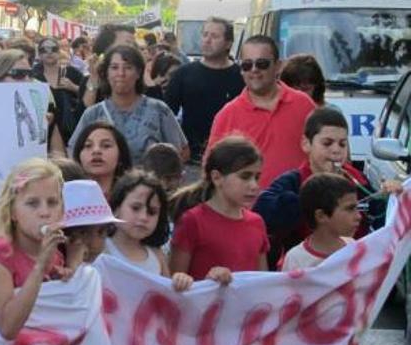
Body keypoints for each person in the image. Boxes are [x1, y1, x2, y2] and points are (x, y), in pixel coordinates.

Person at [253, 107, 393, 268]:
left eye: (342, 144)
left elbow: (381, 221)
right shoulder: (293, 181)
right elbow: (263, 212)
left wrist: (390, 197)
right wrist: (307, 201)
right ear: (306, 144)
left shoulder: (359, 181)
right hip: (307, 271)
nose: (336, 150)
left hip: (353, 268)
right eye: (327, 143)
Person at [0, 157, 71, 340]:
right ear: (12, 212)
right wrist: (40, 268)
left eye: (52, 202)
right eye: (32, 203)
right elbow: (8, 328)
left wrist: (62, 282)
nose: (44, 212)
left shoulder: (55, 255)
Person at [208, 35, 316, 188]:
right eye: (246, 65)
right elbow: (211, 171)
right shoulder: (227, 115)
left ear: (278, 66)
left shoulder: (304, 105)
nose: (254, 70)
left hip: (298, 206)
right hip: (247, 209)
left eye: (262, 64)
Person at [169, 136, 268, 283]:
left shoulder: (257, 222)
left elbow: (262, 282)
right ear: (217, 178)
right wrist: (208, 282)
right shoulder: (192, 221)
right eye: (245, 176)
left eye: (257, 177)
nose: (254, 185)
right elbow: (174, 283)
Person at [68, 44, 188, 164]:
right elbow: (73, 153)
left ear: (138, 73)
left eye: (128, 67)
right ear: (107, 73)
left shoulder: (158, 110)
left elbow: (182, 152)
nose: (121, 73)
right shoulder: (93, 114)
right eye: (114, 67)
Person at [165, 17, 245, 163]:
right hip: (191, 159)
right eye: (205, 34)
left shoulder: (241, 77)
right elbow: (167, 115)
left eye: (214, 36)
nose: (207, 40)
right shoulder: (184, 74)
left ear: (228, 43)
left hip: (230, 158)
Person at [106, 170, 193, 291]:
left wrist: (180, 281)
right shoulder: (100, 250)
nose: (143, 217)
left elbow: (168, 298)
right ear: (116, 208)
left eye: (152, 212)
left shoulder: (157, 257)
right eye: (135, 208)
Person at [281, 173, 360, 272]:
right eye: (350, 209)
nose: (358, 216)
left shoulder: (354, 247)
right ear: (321, 216)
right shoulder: (296, 259)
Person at [33, 37, 84, 147]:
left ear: (59, 51)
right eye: (44, 50)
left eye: (53, 49)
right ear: (39, 54)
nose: (49, 52)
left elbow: (89, 95)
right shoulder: (33, 75)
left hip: (71, 130)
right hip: (43, 133)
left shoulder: (70, 72)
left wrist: (73, 87)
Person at [61, 179, 122, 264]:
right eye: (83, 233)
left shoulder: (108, 269)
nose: (95, 244)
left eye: (101, 232)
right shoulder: (49, 273)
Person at [84, 24, 138, 107]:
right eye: (128, 42)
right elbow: (84, 112)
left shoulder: (138, 75)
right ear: (107, 46)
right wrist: (94, 78)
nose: (133, 48)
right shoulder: (89, 80)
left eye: (134, 44)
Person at [71, 122, 132, 196]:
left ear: (120, 154)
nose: (96, 151)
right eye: (88, 145)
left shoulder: (131, 196)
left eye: (106, 145)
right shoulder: (67, 195)